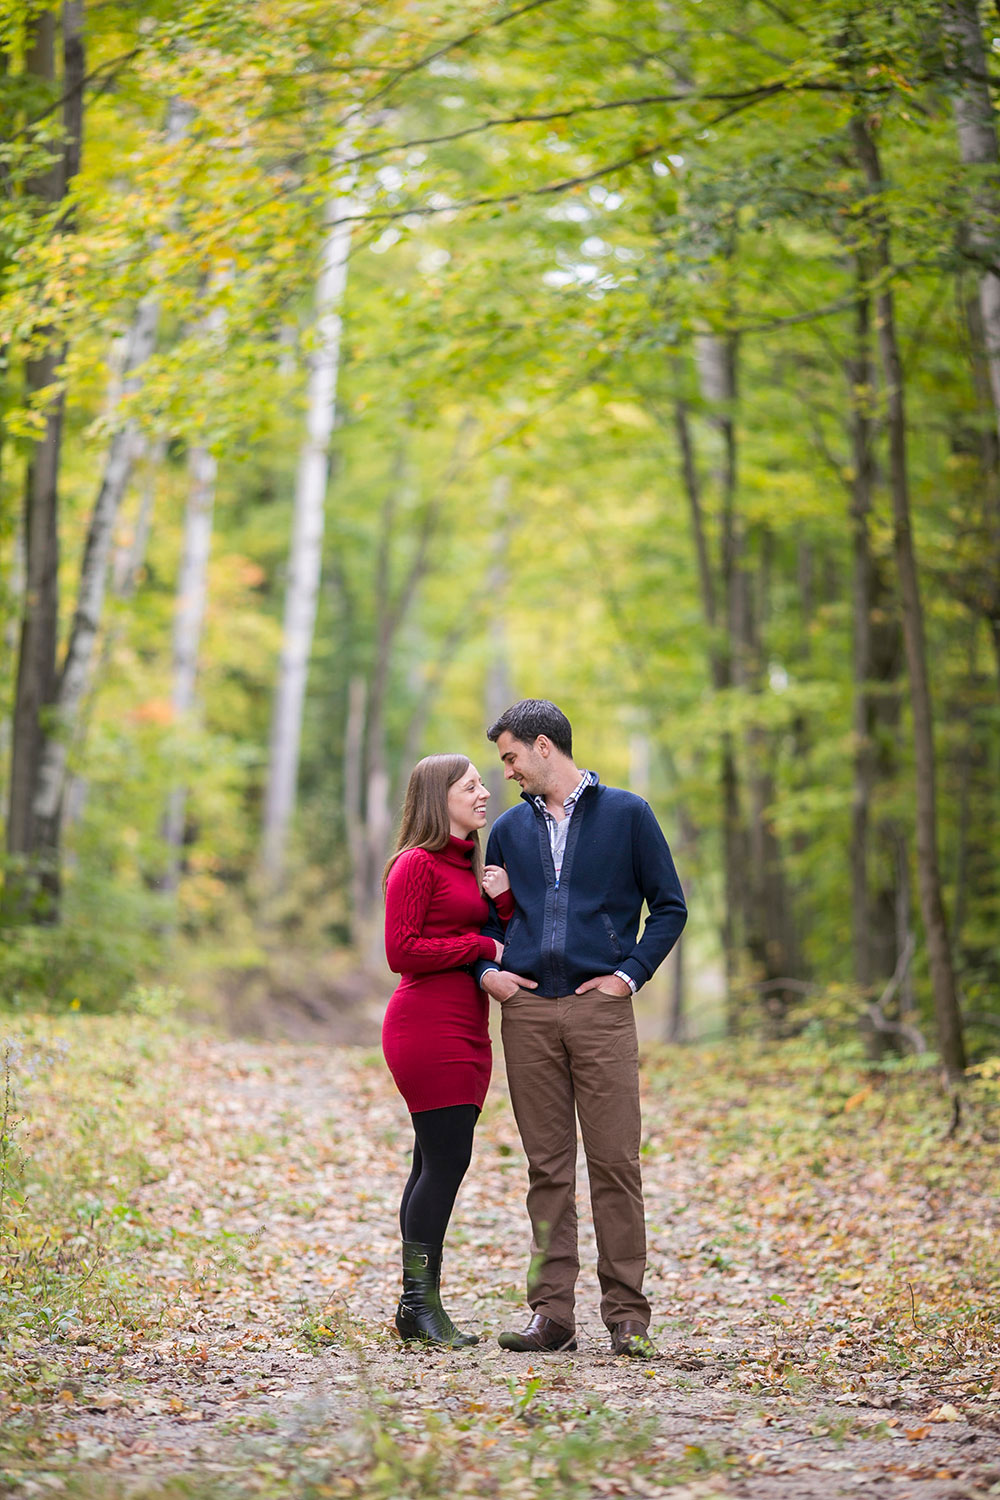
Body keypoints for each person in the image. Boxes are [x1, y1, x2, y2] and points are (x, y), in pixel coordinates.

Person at [474, 700, 686, 1358]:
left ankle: (628, 1318)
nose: (505, 770)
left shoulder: (629, 815)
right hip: (529, 1011)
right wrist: (489, 972)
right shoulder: (508, 829)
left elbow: (671, 907)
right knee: (547, 1168)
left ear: (543, 746)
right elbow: (489, 919)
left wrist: (628, 975)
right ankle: (552, 1315)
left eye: (510, 756)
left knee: (616, 1164)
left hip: (601, 1011)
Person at [382, 753, 514, 1348]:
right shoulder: (415, 864)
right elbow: (403, 952)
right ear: (440, 797)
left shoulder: (469, 867)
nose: (485, 793)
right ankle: (419, 1303)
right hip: (427, 1025)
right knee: (444, 1162)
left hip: (466, 1026)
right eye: (471, 786)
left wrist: (502, 904)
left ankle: (416, 1303)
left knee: (431, 1162)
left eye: (483, 784)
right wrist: (478, 942)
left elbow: (498, 942)